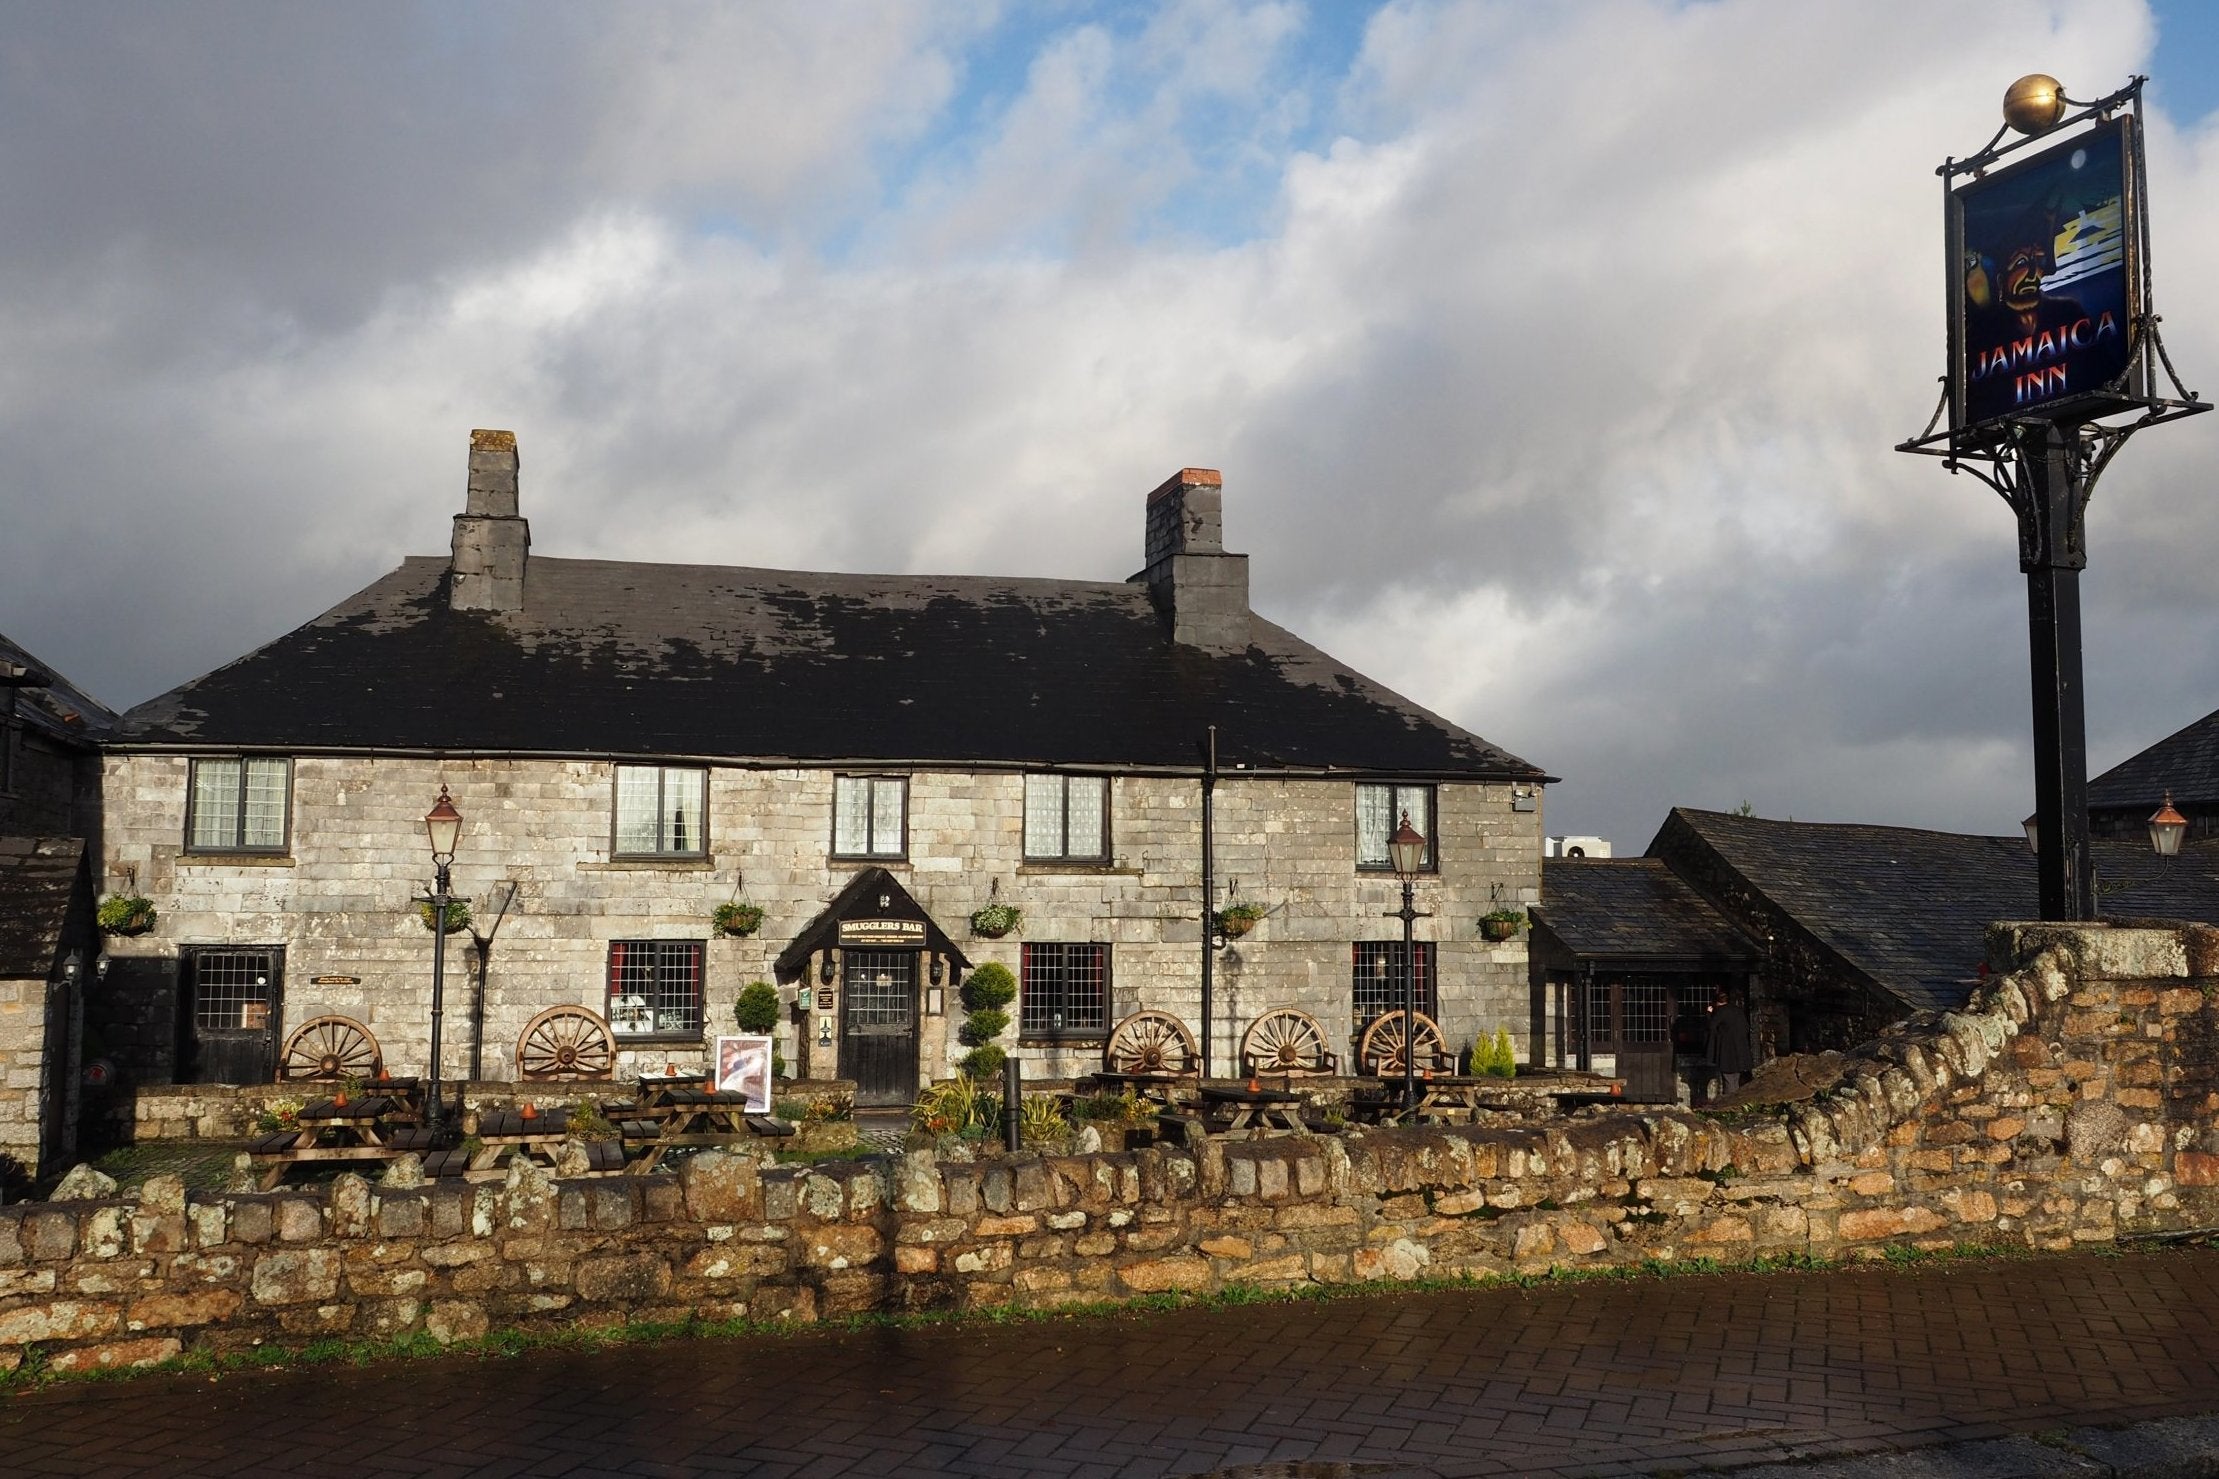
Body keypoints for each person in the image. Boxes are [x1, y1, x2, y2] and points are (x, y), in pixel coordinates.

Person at [1705, 988, 1754, 1103]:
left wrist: (1708, 1014)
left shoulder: (1721, 1011)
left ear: (1717, 1002)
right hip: (1740, 1049)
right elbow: (1746, 1028)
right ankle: (1736, 1102)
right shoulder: (1738, 1011)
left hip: (1727, 1050)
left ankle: (1730, 1104)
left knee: (1728, 1079)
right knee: (1735, 1078)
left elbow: (1711, 1027)